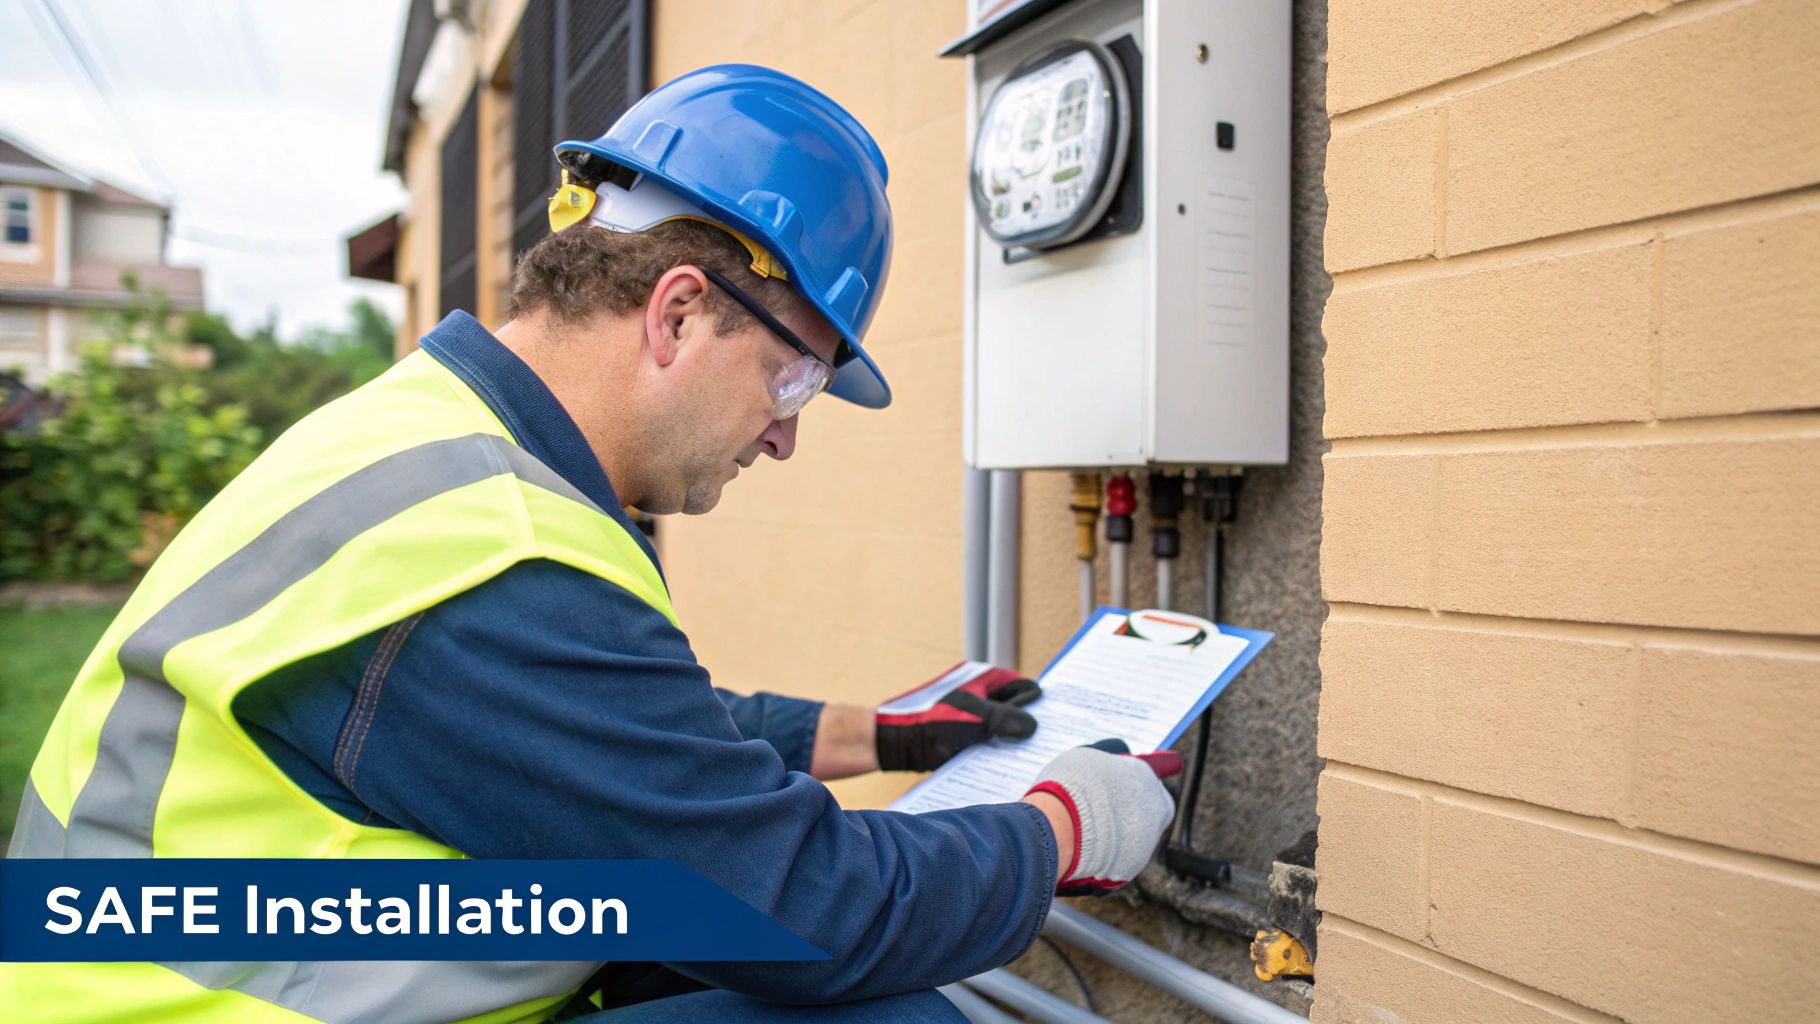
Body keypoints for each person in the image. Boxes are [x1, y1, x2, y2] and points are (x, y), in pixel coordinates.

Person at [1, 65, 1177, 1023]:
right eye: (794, 376)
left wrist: (874, 732)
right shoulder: (494, 557)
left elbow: (596, 740)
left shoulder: (438, 447)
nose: (784, 439)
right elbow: (807, 910)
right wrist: (1063, 824)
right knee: (876, 1017)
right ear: (675, 313)